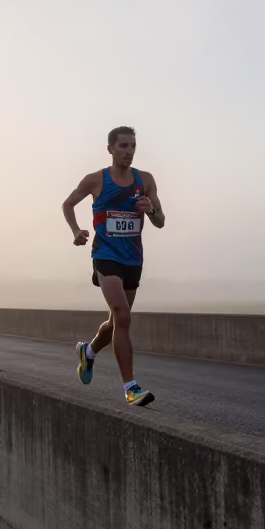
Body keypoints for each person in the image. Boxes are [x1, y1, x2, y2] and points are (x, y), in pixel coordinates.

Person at [61, 125, 165, 406]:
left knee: (116, 321)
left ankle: (89, 351)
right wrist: (76, 231)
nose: (129, 152)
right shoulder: (95, 180)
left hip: (133, 259)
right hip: (105, 256)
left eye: (132, 147)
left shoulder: (145, 181)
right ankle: (131, 388)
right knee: (122, 314)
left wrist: (151, 209)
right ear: (110, 149)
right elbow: (68, 204)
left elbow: (160, 221)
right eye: (123, 146)